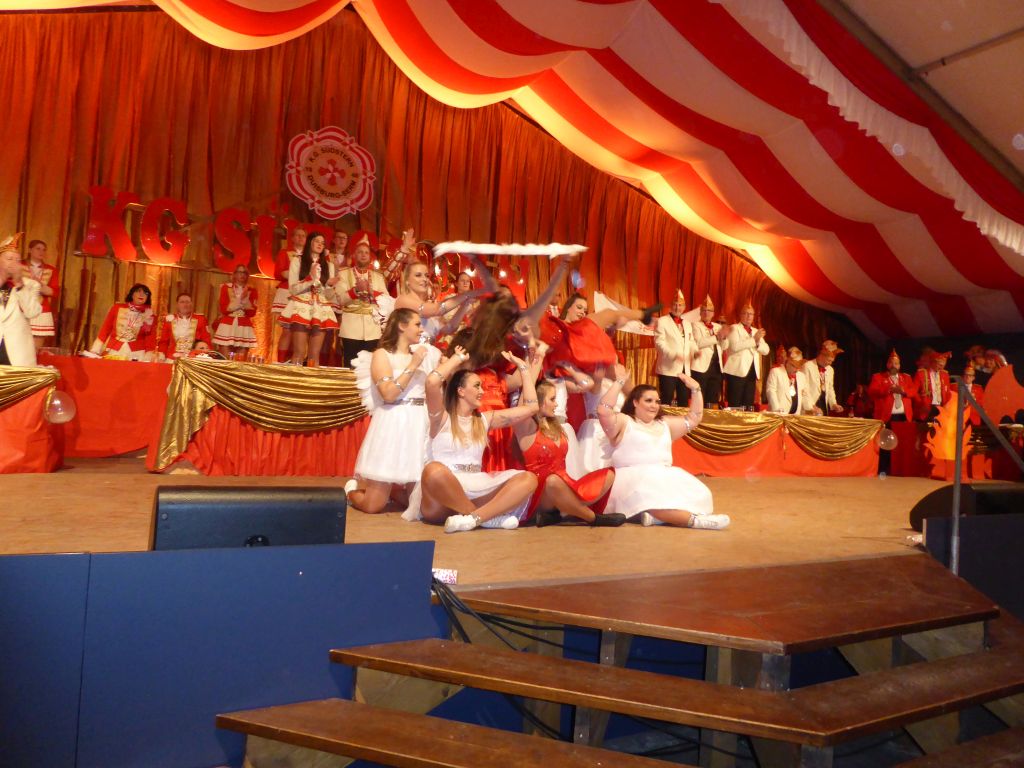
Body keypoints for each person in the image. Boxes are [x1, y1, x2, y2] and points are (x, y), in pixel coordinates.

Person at [418, 346, 540, 533]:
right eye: (477, 386)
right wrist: (457, 358)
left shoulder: (485, 419)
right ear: (460, 391)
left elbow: (531, 408)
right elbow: (432, 382)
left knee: (528, 479)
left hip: (477, 486)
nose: (482, 391)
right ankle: (486, 518)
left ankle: (474, 518)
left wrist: (523, 368)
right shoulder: (441, 418)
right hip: (441, 498)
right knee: (433, 470)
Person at [597, 363, 729, 529]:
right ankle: (696, 521)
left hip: (663, 476)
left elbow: (694, 418)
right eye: (648, 400)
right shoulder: (624, 421)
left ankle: (655, 518)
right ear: (635, 402)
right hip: (632, 479)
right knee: (650, 497)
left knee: (700, 495)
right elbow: (604, 410)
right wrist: (620, 382)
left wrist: (696, 389)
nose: (654, 405)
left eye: (657, 401)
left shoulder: (664, 423)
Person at [346, 308, 440, 513]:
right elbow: (388, 394)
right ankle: (351, 492)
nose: (421, 329)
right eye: (417, 324)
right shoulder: (382, 355)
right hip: (393, 421)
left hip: (418, 422)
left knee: (420, 506)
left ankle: (397, 493)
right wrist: (413, 365)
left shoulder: (422, 355)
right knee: (373, 506)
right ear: (402, 325)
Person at [514, 379, 625, 527]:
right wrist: (527, 370)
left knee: (609, 474)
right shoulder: (527, 428)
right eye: (552, 399)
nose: (556, 404)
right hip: (542, 493)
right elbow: (524, 407)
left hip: (565, 485)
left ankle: (559, 513)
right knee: (552, 482)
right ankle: (593, 518)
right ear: (539, 402)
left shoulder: (556, 426)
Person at [280, 232, 338, 365]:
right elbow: (293, 289)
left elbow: (328, 296)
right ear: (310, 242)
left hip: (320, 309)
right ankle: (295, 378)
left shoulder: (328, 265)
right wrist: (310, 279)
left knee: (314, 355)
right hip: (302, 307)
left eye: (322, 243)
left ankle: (312, 379)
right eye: (317, 241)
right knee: (299, 353)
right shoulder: (298, 261)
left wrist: (329, 285)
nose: (320, 245)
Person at [335, 230, 389, 366]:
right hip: (350, 330)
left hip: (373, 330)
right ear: (354, 255)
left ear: (370, 256)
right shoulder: (343, 274)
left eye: (366, 252)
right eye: (360, 252)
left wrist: (372, 292)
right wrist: (356, 290)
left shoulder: (378, 276)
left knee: (370, 367)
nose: (363, 255)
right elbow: (340, 299)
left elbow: (387, 301)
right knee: (350, 366)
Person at [0, 234, 42, 366]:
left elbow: (33, 312)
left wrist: (19, 284)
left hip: (17, 354)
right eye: (9, 259)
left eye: (17, 260)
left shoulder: (30, 285)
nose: (13, 263)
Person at [89, 283, 156, 360]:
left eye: (145, 293)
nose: (142, 294)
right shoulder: (117, 308)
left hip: (137, 353)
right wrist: (96, 348)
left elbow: (150, 338)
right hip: (114, 349)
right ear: (132, 294)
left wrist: (148, 356)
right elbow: (106, 328)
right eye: (138, 291)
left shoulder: (149, 315)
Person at [722, 301, 768, 409]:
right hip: (736, 371)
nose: (748, 316)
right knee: (735, 405)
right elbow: (734, 346)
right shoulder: (734, 328)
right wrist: (754, 340)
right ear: (740, 315)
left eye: (751, 314)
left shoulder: (755, 331)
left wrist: (757, 343)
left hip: (751, 372)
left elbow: (766, 350)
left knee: (748, 405)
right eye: (745, 313)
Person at [272, 225, 306, 362]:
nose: (300, 238)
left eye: (303, 236)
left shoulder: (309, 255)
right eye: (298, 235)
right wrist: (297, 275)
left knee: (298, 331)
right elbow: (278, 273)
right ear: (292, 238)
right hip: (287, 292)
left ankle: (293, 361)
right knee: (287, 330)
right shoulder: (285, 252)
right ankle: (281, 362)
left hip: (303, 294)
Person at [654, 290, 693, 407]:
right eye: (675, 305)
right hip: (668, 368)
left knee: (684, 402)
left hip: (685, 370)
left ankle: (683, 420)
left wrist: (696, 352)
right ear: (671, 306)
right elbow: (659, 343)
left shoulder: (687, 324)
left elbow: (691, 342)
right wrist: (674, 355)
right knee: (666, 401)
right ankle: (664, 419)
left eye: (680, 305)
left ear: (684, 307)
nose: (677, 307)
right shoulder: (662, 321)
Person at [212, 265, 258, 359]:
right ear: (235, 274)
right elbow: (223, 309)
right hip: (227, 325)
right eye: (239, 272)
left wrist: (245, 303)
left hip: (244, 326)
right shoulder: (226, 287)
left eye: (244, 272)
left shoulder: (252, 290)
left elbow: (252, 313)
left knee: (240, 360)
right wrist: (238, 304)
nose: (242, 275)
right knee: (225, 359)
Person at [690, 294, 728, 407]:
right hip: (701, 367)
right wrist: (717, 337)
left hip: (716, 367)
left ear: (713, 313)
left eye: (709, 311)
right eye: (704, 310)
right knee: (699, 398)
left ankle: (710, 417)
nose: (706, 313)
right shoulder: (695, 325)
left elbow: (724, 347)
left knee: (712, 400)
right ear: (700, 312)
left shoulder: (717, 326)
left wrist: (724, 338)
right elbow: (699, 343)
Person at [25, 239, 58, 350]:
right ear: (30, 250)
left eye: (44, 250)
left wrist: (39, 285)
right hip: (21, 308)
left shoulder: (51, 269)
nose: (41, 252)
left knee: (35, 348)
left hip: (41, 310)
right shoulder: (20, 265)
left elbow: (54, 292)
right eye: (38, 249)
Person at [868, 350, 916, 424]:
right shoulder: (878, 377)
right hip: (885, 416)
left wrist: (903, 391)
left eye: (896, 363)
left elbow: (913, 391)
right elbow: (872, 391)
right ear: (887, 365)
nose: (893, 365)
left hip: (904, 416)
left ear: (899, 366)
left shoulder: (906, 377)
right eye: (891, 363)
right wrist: (889, 389)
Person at [159, 292, 210, 361]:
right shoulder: (169, 320)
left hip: (194, 358)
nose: (185, 305)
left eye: (188, 302)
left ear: (191, 304)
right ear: (177, 304)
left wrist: (206, 357)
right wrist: (161, 356)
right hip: (172, 358)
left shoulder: (200, 319)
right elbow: (163, 342)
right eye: (182, 302)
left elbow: (206, 340)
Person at [802, 340, 845, 415]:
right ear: (822, 356)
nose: (830, 363)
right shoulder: (808, 366)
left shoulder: (830, 370)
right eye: (829, 360)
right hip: (810, 405)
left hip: (823, 405)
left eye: (832, 361)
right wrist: (812, 406)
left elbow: (830, 388)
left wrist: (833, 404)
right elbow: (804, 389)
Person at [766, 346, 811, 414]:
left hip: (795, 416)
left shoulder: (802, 376)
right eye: (793, 366)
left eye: (798, 366)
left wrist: (811, 408)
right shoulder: (776, 372)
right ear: (787, 362)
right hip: (779, 414)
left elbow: (805, 395)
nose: (796, 369)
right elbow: (771, 391)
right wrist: (777, 410)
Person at [913, 350, 951, 421]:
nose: (941, 367)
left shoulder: (945, 374)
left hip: (940, 407)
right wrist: (921, 403)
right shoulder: (921, 373)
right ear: (933, 362)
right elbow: (914, 392)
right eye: (939, 364)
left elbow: (948, 392)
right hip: (926, 408)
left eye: (943, 365)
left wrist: (946, 405)